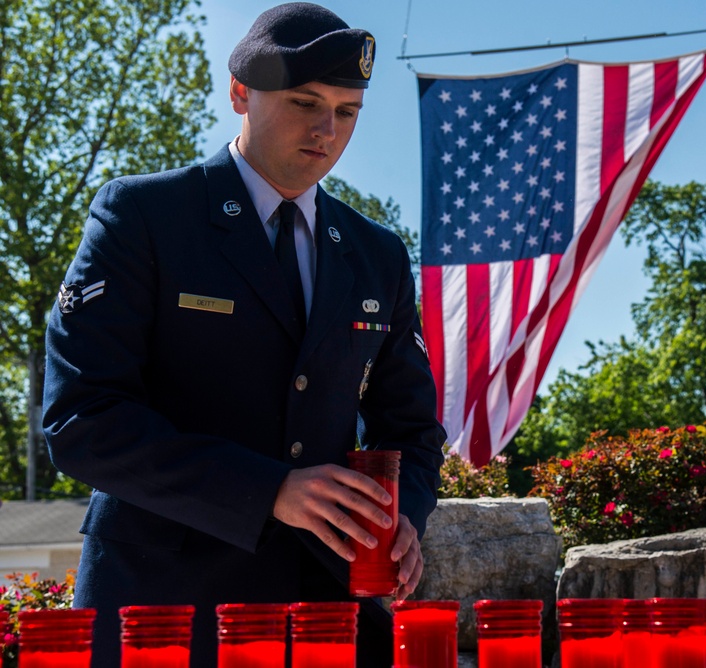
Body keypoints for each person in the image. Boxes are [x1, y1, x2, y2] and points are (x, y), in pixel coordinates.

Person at [41, 4, 446, 667]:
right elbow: (80, 419)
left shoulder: (376, 255)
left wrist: (406, 518)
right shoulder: (144, 217)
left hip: (327, 619)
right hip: (167, 616)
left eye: (347, 112)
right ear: (240, 94)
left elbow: (413, 429)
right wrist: (267, 490)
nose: (326, 129)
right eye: (305, 101)